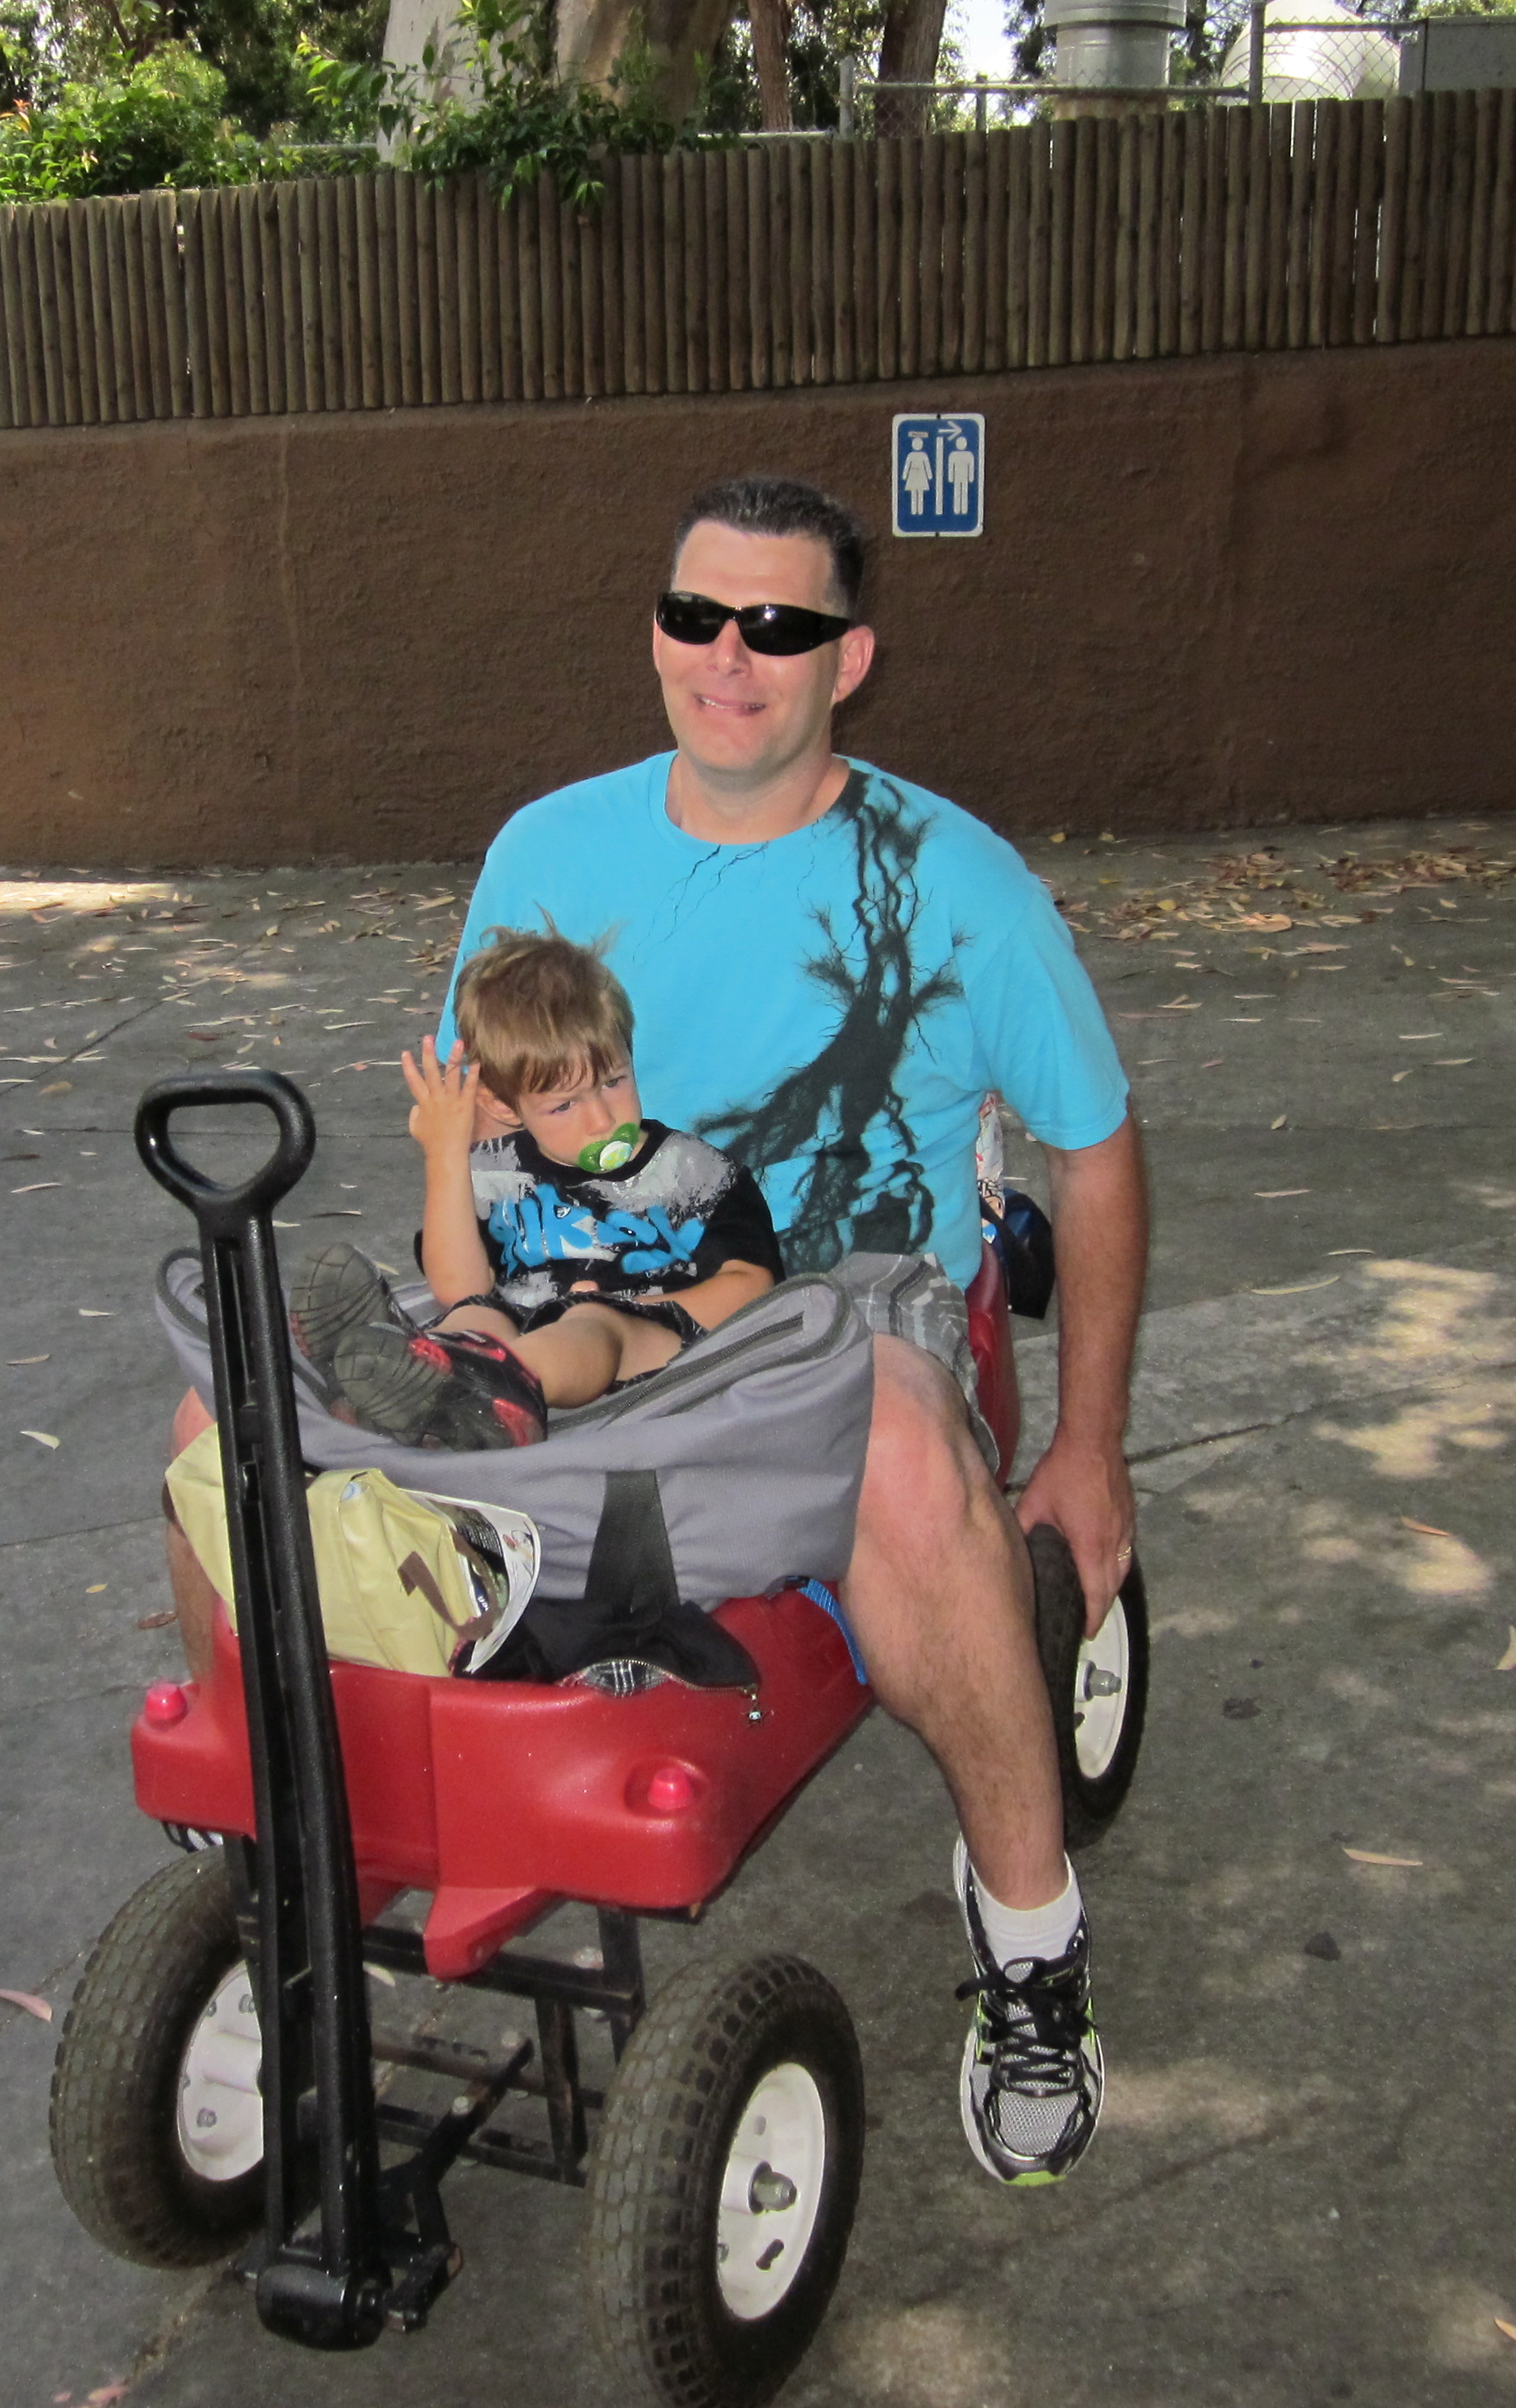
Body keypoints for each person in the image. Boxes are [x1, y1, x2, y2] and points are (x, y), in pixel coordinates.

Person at [432, 473, 1147, 2188]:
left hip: (842, 1295)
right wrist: (470, 1300)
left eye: (778, 625)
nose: (729, 657)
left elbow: (1096, 1152)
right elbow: (482, 1126)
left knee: (892, 1450)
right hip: (584, 1277)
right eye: (698, 616)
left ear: (851, 659)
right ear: (655, 633)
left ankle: (1031, 1940)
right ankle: (283, 1886)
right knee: (230, 1423)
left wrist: (1088, 1445)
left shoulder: (959, 884)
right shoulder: (547, 853)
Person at [289, 928, 782, 1450]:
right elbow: (459, 1287)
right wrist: (447, 1156)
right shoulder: (496, 1173)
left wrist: (630, 1305)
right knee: (477, 1313)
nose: (601, 1119)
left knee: (590, 1322)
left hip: (642, 1343)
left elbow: (753, 1283)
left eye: (613, 1082)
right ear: (503, 1106)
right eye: (564, 1105)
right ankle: (404, 1383)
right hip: (517, 1332)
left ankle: (477, 1388)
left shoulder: (695, 1173)